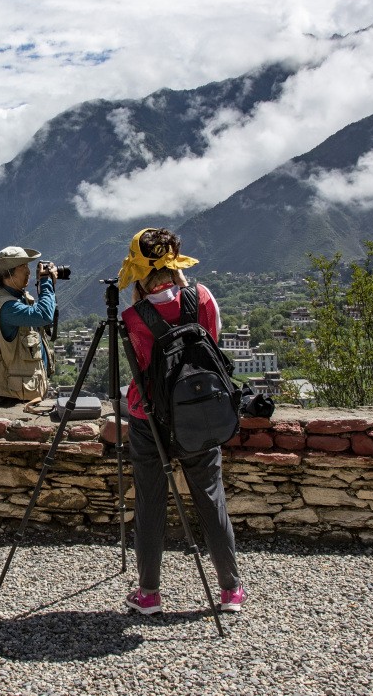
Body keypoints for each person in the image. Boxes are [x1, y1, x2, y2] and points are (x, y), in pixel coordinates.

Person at [117, 227, 247, 614]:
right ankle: (230, 591)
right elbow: (214, 344)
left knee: (151, 501)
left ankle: (149, 594)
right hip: (200, 414)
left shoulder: (131, 317)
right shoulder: (204, 297)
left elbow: (139, 370)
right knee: (210, 496)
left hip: (149, 420)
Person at [0, 245, 57, 408]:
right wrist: (46, 283)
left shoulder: (17, 297)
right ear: (8, 272)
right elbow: (43, 316)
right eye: (23, 266)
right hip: (14, 399)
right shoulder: (6, 306)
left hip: (26, 393)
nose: (29, 271)